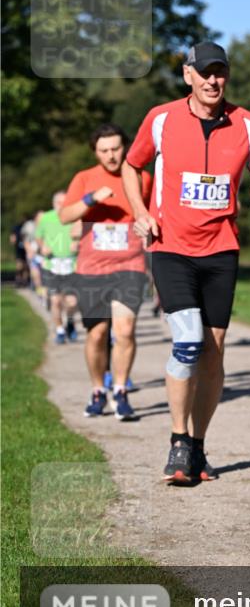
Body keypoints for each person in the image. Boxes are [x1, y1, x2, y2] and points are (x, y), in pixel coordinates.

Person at [121, 40, 250, 484]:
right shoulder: (161, 119)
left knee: (213, 352)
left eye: (220, 72)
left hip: (222, 249)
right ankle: (177, 441)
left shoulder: (247, 125)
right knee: (187, 340)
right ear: (188, 75)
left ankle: (199, 445)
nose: (214, 80)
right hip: (170, 246)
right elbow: (132, 167)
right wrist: (140, 212)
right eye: (205, 72)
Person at [60, 124, 152, 420]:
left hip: (130, 265)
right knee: (97, 333)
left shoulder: (142, 178)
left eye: (115, 149)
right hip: (92, 268)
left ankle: (121, 390)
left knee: (124, 331)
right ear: (95, 152)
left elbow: (152, 215)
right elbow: (64, 216)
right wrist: (91, 199)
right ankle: (98, 390)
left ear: (125, 147)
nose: (111, 156)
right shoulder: (84, 178)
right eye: (104, 151)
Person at [35, 193, 79, 344]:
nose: (62, 204)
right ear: (54, 203)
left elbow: (85, 234)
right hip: (51, 264)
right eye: (59, 202)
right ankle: (60, 331)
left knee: (72, 302)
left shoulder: (76, 216)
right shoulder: (46, 218)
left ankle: (71, 323)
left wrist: (78, 243)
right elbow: (38, 236)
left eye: (65, 202)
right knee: (55, 301)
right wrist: (42, 247)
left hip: (72, 264)